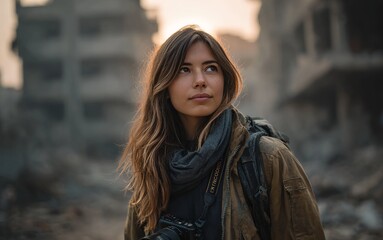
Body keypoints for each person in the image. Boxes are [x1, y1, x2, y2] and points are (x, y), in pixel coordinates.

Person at [119, 25, 325, 240]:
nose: (200, 80)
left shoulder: (267, 158)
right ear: (164, 86)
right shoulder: (152, 163)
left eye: (210, 68)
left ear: (225, 80)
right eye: (184, 69)